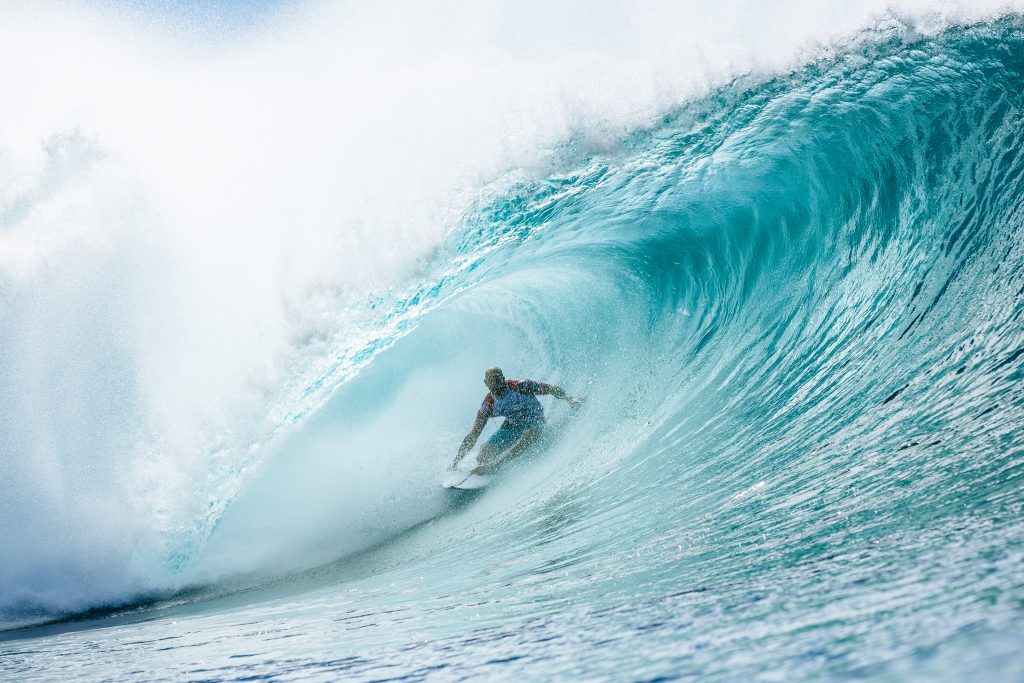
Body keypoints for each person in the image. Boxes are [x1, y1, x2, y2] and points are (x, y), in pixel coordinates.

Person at [451, 367, 584, 475]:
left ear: (503, 378)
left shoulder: (521, 386)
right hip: (511, 427)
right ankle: (493, 458)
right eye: (492, 380)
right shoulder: (488, 406)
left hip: (534, 422)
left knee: (528, 434)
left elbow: (549, 389)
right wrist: (456, 461)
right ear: (486, 383)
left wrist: (570, 398)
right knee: (482, 457)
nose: (496, 383)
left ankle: (497, 465)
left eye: (498, 379)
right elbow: (473, 435)